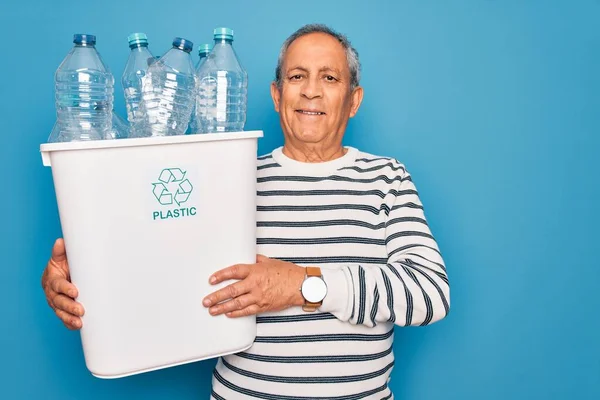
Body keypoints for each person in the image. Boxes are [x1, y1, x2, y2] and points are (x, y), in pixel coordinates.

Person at [41, 24, 451, 399]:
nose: (311, 91)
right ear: (277, 95)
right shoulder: (227, 177)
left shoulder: (387, 178)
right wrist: (84, 280)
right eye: (296, 77)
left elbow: (429, 293)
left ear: (354, 100)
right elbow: (156, 261)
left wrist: (303, 285)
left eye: (329, 77)